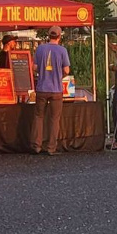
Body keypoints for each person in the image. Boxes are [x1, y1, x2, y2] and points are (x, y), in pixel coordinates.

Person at [30, 26, 70, 156]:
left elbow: (34, 67)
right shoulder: (62, 50)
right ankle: (51, 148)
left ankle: (37, 146)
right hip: (56, 89)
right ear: (59, 36)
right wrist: (59, 76)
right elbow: (66, 70)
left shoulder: (41, 48)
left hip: (41, 88)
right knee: (54, 119)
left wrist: (42, 73)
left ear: (48, 35)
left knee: (38, 116)